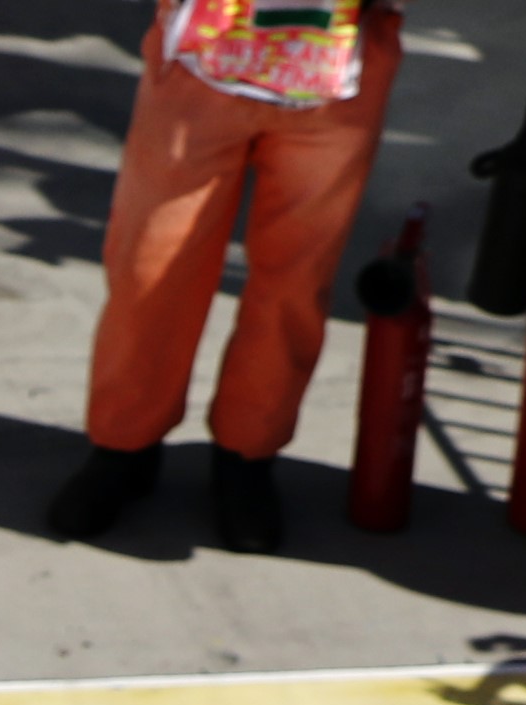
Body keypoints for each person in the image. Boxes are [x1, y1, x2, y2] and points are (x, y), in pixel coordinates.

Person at [46, 0, 410, 555]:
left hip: (335, 75)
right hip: (201, 65)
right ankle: (124, 445)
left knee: (295, 278)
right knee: (152, 265)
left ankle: (248, 456)